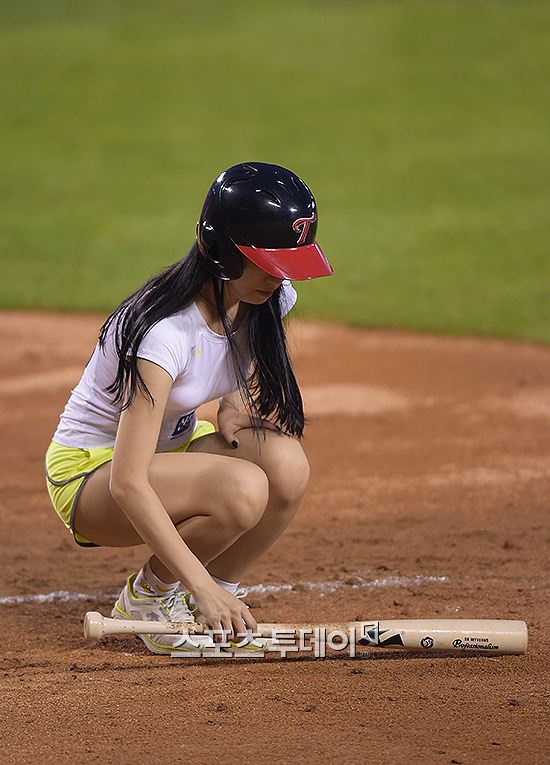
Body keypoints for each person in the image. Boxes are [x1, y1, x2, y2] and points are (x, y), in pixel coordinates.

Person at [44, 161, 333, 655]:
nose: (277, 275)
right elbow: (128, 481)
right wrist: (199, 582)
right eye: (266, 260)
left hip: (170, 452)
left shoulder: (265, 294)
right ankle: (151, 599)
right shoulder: (164, 333)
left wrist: (234, 402)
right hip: (92, 477)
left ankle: (221, 604)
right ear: (223, 250)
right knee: (242, 489)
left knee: (286, 465)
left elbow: (244, 351)